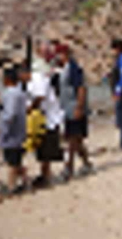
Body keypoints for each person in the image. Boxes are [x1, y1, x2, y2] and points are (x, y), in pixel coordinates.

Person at [25, 47, 64, 182]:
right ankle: (45, 173)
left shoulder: (38, 78)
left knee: (46, 147)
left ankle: (46, 174)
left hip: (48, 116)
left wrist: (29, 109)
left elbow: (40, 96)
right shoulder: (34, 79)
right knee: (42, 146)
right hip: (43, 115)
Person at [56, 44, 92, 178]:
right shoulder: (63, 69)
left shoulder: (73, 69)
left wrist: (79, 107)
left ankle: (68, 167)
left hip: (74, 108)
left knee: (71, 138)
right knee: (76, 139)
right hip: (67, 108)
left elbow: (82, 88)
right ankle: (86, 163)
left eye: (59, 54)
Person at [0, 65, 29, 194]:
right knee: (16, 160)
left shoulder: (11, 94)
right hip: (19, 130)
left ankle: (11, 186)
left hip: (11, 132)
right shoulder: (20, 93)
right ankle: (25, 182)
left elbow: (10, 114)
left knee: (11, 161)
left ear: (7, 80)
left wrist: (1, 128)